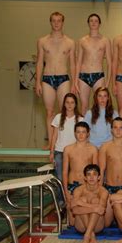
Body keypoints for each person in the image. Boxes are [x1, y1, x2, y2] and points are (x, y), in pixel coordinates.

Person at [35, 12, 75, 149]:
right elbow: (39, 62)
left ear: (63, 23)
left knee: (66, 111)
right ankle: (51, 142)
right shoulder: (42, 41)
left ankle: (65, 141)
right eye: (54, 21)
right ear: (50, 22)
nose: (56, 23)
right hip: (47, 78)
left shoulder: (70, 42)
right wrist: (37, 82)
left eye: (59, 21)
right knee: (50, 112)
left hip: (63, 78)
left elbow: (73, 64)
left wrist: (75, 82)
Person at [75, 13, 112, 114]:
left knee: (101, 104)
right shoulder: (82, 41)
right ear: (88, 23)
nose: (93, 23)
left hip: (98, 75)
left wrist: (108, 82)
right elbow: (78, 62)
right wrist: (75, 80)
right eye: (91, 21)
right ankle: (83, 129)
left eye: (96, 21)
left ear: (99, 24)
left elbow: (109, 63)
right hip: (83, 75)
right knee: (84, 105)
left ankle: (100, 129)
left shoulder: (105, 40)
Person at [62, 122, 98, 224]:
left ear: (88, 134)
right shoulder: (68, 149)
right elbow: (64, 172)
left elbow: (96, 172)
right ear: (74, 133)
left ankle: (88, 231)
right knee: (73, 223)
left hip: (87, 186)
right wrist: (66, 191)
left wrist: (95, 189)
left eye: (83, 132)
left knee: (86, 215)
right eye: (78, 132)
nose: (81, 135)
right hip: (72, 185)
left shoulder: (93, 149)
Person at [70, 164, 108, 243]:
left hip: (97, 226)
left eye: (94, 174)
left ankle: (87, 236)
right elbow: (74, 210)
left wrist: (81, 204)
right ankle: (91, 235)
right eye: (88, 174)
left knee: (96, 200)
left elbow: (101, 210)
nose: (91, 177)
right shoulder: (78, 190)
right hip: (81, 226)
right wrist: (93, 208)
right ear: (85, 177)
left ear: (99, 177)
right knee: (84, 199)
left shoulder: (103, 191)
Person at [49, 93, 83, 182]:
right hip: (59, 152)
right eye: (67, 102)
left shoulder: (80, 119)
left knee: (73, 179)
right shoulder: (58, 117)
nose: (69, 105)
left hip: (75, 153)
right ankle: (61, 196)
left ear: (75, 104)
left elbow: (84, 138)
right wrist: (52, 152)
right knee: (60, 179)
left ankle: (71, 196)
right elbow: (54, 136)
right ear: (64, 104)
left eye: (72, 102)